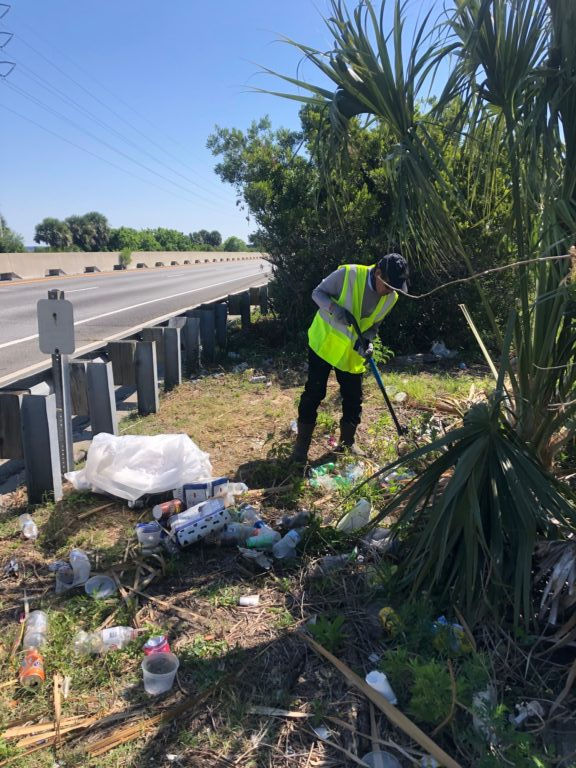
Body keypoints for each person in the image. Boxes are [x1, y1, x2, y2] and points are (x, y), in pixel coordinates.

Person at [292, 253, 408, 463]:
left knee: (354, 398)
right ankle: (301, 448)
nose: (390, 292)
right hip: (324, 345)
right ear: (378, 273)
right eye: (389, 286)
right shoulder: (349, 274)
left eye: (396, 288)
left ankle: (347, 443)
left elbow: (374, 325)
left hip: (351, 353)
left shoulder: (392, 296)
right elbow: (317, 293)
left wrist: (369, 341)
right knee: (314, 393)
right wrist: (335, 309)